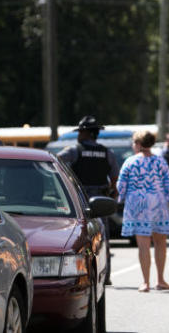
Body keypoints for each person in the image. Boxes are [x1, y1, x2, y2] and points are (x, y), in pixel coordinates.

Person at [57, 115, 120, 284]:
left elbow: (56, 161)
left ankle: (82, 274)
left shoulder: (74, 150)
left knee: (81, 236)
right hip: (101, 199)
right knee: (102, 237)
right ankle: (105, 276)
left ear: (86, 133)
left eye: (80, 132)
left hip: (81, 199)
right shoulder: (107, 153)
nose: (78, 135)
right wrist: (112, 195)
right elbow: (115, 178)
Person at [116, 130, 169, 292]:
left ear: (138, 144)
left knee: (143, 245)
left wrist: (122, 197)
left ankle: (145, 282)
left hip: (138, 205)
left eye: (133, 142)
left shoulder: (130, 162)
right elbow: (168, 184)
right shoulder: (161, 162)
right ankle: (160, 279)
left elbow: (120, 185)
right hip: (158, 203)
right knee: (160, 242)